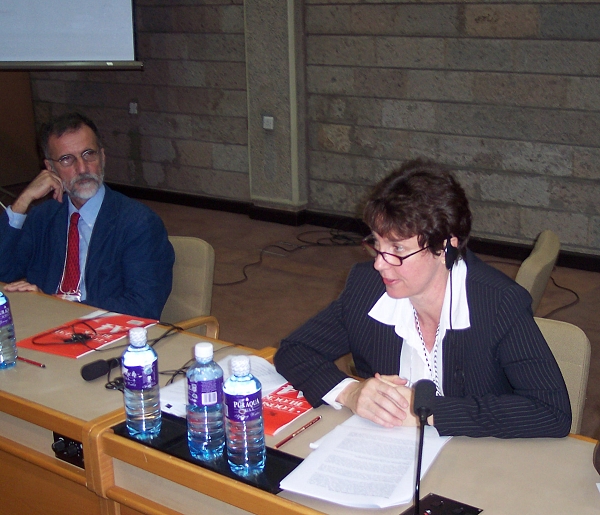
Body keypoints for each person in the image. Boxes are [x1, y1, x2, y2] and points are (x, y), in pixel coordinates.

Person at [274, 159, 571, 438]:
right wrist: (351, 392)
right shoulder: (366, 288)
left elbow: (552, 411)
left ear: (445, 247)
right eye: (377, 244)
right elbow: (294, 350)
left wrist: (428, 413)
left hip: (473, 459)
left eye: (398, 249)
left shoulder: (498, 303)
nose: (379, 264)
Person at [0, 112, 174, 320]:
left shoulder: (139, 223)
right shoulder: (43, 217)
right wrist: (23, 200)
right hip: (43, 325)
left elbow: (143, 307)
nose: (82, 168)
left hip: (101, 333)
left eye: (88, 154)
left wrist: (55, 306)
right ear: (50, 168)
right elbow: (4, 273)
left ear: (102, 157)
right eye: (67, 159)